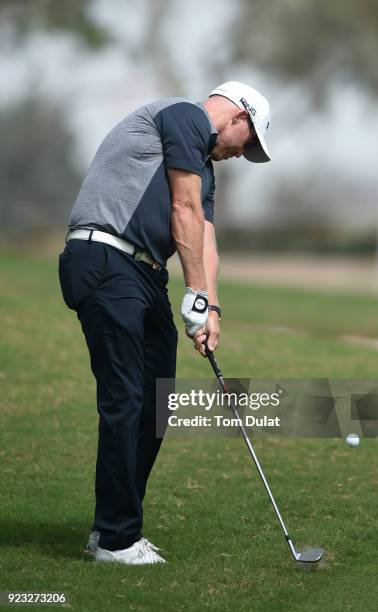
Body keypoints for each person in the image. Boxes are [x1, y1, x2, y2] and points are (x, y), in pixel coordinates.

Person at [58, 81, 271, 566]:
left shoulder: (204, 168)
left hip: (144, 275)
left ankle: (110, 527)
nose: (244, 155)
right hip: (104, 257)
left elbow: (205, 236)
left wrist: (210, 307)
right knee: (126, 399)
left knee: (155, 401)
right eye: (251, 142)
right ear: (238, 117)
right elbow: (183, 209)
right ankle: (116, 539)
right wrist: (193, 291)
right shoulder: (183, 116)